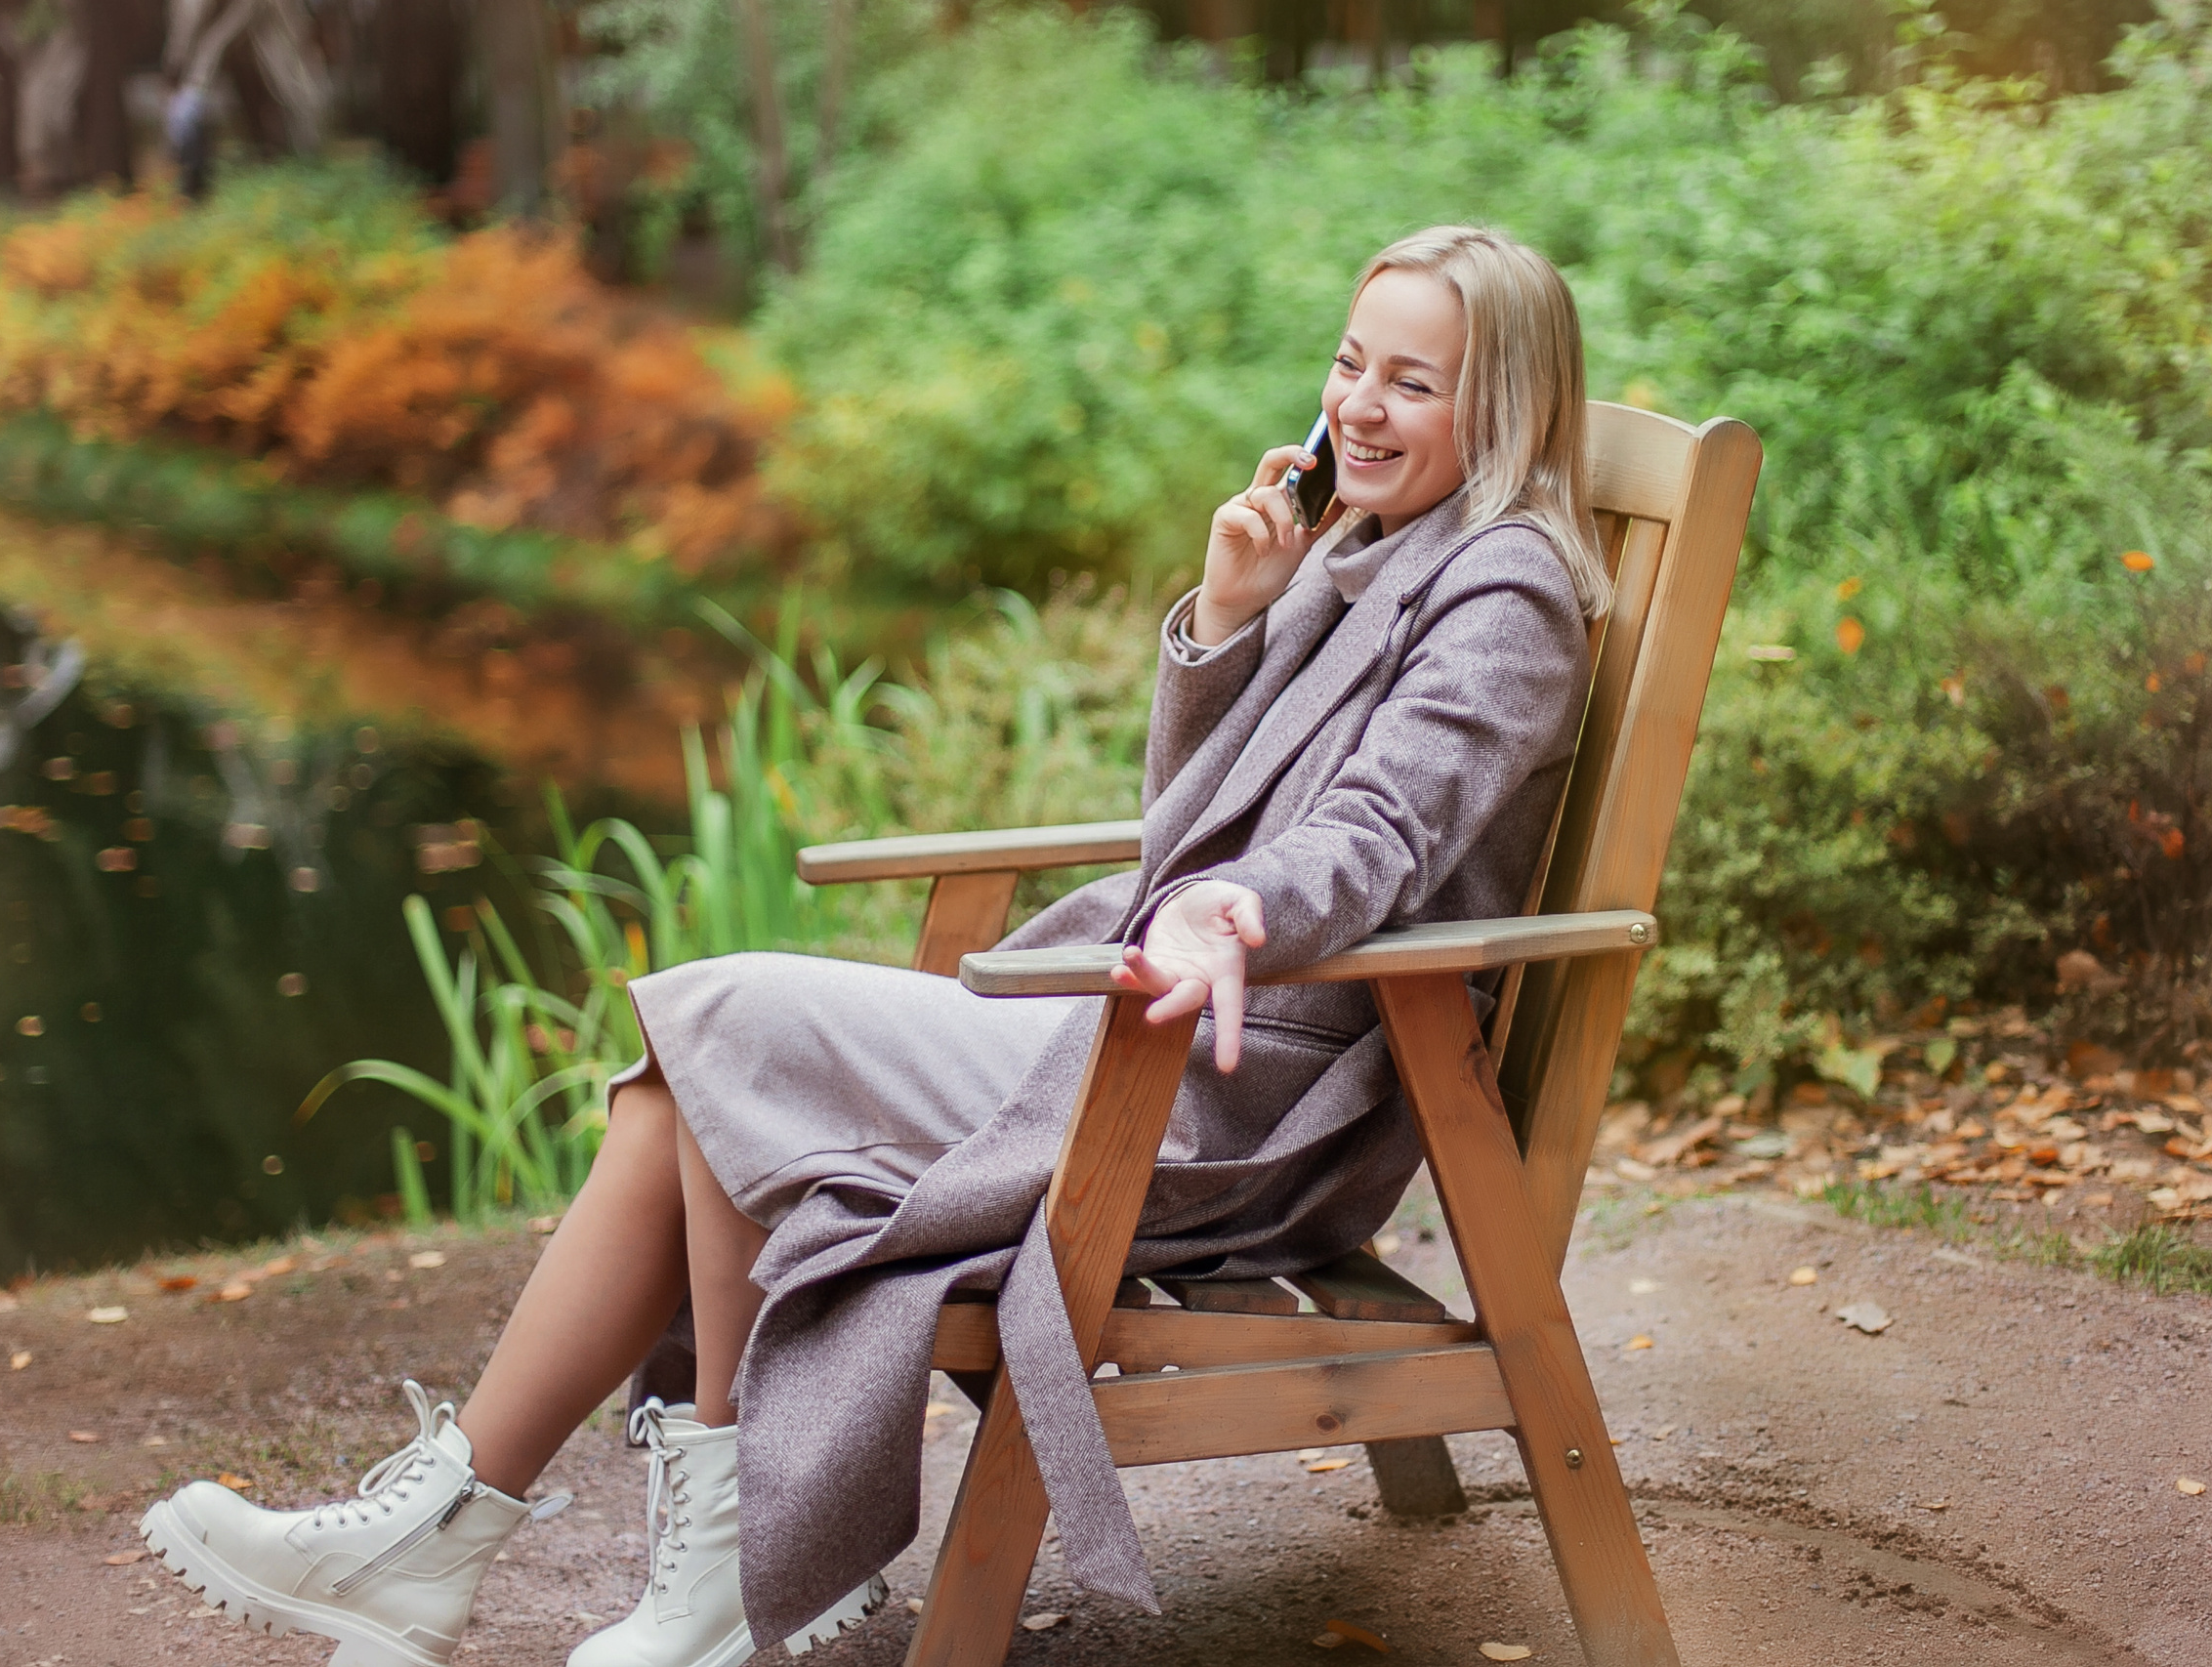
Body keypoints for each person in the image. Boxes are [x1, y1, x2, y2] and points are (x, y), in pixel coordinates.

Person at [136, 224, 1610, 1667]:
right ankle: (457, 1538)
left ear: (1505, 410)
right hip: (1149, 1026)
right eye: (1352, 364)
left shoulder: (1504, 596)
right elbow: (1193, 821)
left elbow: (1376, 835)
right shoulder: (1374, 548)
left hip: (1230, 1093)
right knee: (681, 1087)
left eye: (1413, 382)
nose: (1357, 404)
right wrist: (1230, 615)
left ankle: (586, 1553)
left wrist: (1246, 909)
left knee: (725, 1023)